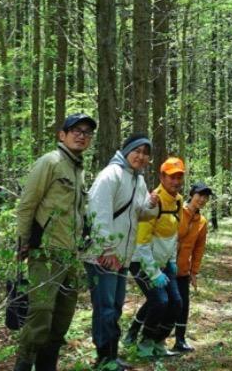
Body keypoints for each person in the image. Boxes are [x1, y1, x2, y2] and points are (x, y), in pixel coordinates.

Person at [12, 114, 97, 371]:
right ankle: (23, 366)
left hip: (69, 256)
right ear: (62, 135)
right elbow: (28, 204)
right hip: (46, 253)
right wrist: (22, 243)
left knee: (61, 319)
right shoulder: (50, 162)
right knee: (41, 314)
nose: (81, 135)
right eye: (76, 130)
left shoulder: (78, 169)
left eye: (87, 132)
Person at [84, 133, 160, 371]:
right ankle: (104, 358)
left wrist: (151, 205)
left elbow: (140, 214)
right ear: (126, 150)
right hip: (103, 255)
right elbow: (98, 212)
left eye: (146, 154)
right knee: (105, 306)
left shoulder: (138, 181)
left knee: (115, 306)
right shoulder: (111, 175)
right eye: (137, 151)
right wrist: (106, 248)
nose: (141, 157)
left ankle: (111, 356)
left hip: (122, 255)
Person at [123, 157, 187, 359]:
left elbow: (174, 233)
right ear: (162, 177)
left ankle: (159, 342)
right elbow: (142, 242)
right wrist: (153, 272)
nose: (175, 182)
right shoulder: (153, 201)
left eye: (179, 177)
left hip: (164, 261)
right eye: (171, 177)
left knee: (176, 302)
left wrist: (172, 261)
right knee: (159, 301)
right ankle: (144, 344)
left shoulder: (178, 201)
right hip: (141, 261)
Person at [173, 181, 212, 353]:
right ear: (191, 195)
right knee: (160, 301)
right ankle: (136, 331)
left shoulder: (202, 221)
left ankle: (180, 340)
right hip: (166, 265)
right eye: (199, 195)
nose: (202, 200)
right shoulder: (177, 211)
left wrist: (194, 272)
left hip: (183, 268)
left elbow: (198, 249)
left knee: (183, 303)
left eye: (205, 197)